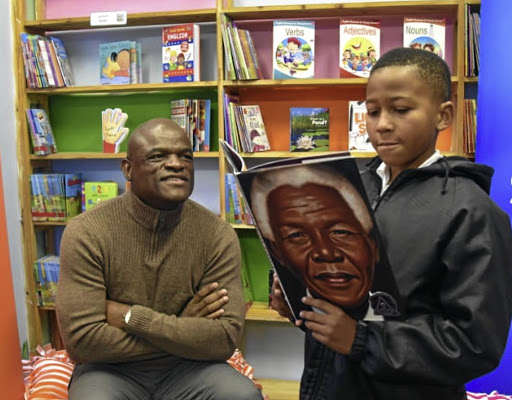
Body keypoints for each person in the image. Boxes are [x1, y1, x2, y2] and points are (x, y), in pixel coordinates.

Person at [270, 47, 512, 400]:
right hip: (328, 388)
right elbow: (338, 298)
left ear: (443, 116)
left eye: (401, 110)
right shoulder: (350, 189)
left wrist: (361, 340)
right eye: (372, 111)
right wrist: (296, 300)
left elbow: (475, 342)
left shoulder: (471, 212)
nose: (381, 124)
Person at [56, 118, 262, 400]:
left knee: (242, 395)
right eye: (158, 156)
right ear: (128, 169)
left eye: (185, 156)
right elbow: (83, 343)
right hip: (110, 371)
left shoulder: (218, 235)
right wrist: (182, 324)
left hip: (191, 368)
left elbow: (223, 339)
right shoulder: (86, 232)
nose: (177, 164)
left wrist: (133, 318)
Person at [250, 164, 384, 319]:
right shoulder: (304, 309)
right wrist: (295, 314)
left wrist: (356, 336)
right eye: (297, 235)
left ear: (373, 244)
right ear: (278, 253)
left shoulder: (397, 318)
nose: (325, 252)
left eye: (340, 232)